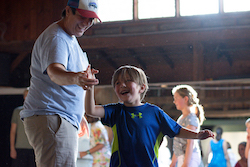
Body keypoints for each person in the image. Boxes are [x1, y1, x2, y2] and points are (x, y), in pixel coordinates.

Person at [20, 0, 100, 166]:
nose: (86, 23)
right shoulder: (57, 38)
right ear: (68, 11)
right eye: (83, 16)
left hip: (60, 116)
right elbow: (55, 72)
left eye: (91, 20)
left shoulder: (68, 38)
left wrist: (79, 114)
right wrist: (77, 78)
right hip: (54, 115)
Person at [84, 65, 214, 167]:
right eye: (117, 83)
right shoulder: (115, 111)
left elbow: (176, 130)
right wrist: (89, 87)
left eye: (128, 81)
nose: (122, 85)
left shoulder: (154, 112)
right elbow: (90, 110)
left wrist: (196, 135)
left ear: (142, 88)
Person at [170, 84, 206, 167]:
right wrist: (173, 162)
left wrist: (186, 163)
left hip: (190, 157)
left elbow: (190, 143)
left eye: (176, 98)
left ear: (185, 99)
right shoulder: (180, 119)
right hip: (182, 156)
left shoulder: (191, 118)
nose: (174, 101)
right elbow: (178, 143)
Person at [10, 88, 36, 167]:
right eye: (26, 95)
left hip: (34, 147)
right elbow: (13, 131)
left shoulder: (38, 112)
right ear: (24, 97)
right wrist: (12, 148)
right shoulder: (18, 111)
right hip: (20, 147)